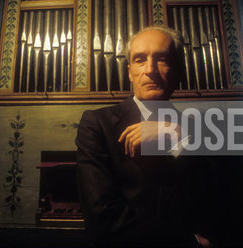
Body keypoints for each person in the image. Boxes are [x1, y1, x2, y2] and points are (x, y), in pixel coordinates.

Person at [75, 26, 217, 247]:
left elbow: (214, 204)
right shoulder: (97, 124)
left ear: (178, 69)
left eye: (161, 59)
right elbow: (103, 219)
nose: (150, 70)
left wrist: (177, 134)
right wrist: (190, 243)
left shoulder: (200, 130)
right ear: (130, 71)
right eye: (140, 60)